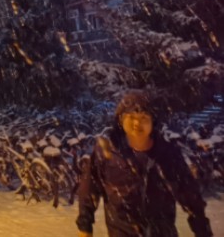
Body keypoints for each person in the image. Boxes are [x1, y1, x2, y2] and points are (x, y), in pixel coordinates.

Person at [76, 89, 213, 237]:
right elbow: (89, 189)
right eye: (131, 116)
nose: (137, 123)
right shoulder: (107, 153)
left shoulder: (168, 154)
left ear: (153, 121)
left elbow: (190, 195)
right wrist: (85, 225)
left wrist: (202, 230)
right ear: (121, 120)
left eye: (144, 117)